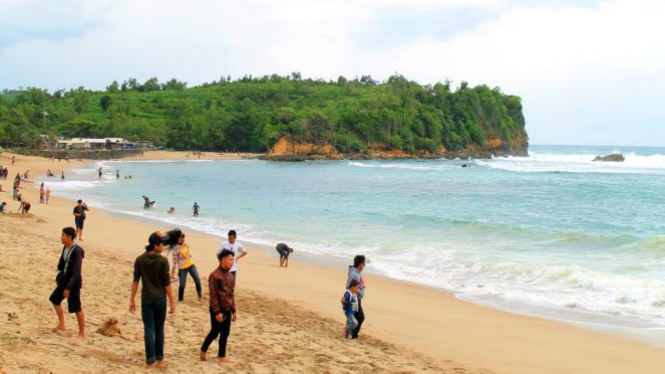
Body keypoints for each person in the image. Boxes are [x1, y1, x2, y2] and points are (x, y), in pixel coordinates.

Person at [130, 231, 175, 369]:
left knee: (149, 329)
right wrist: (172, 301)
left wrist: (131, 299)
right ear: (156, 245)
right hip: (160, 299)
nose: (164, 245)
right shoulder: (162, 261)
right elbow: (167, 283)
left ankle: (150, 360)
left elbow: (136, 281)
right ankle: (159, 358)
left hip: (146, 299)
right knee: (159, 328)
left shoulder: (140, 260)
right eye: (162, 243)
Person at [200, 249, 237, 363]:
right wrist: (216, 312)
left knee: (225, 333)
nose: (232, 262)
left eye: (233, 260)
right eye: (230, 259)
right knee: (215, 332)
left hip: (227, 309)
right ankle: (203, 350)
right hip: (218, 309)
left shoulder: (231, 276)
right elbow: (213, 296)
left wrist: (234, 310)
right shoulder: (214, 276)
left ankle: (222, 356)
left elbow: (231, 294)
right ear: (222, 260)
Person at [49, 227, 85, 339]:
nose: (61, 237)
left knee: (76, 307)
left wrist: (68, 288)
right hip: (65, 280)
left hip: (73, 283)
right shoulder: (65, 247)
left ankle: (82, 333)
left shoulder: (77, 252)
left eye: (63, 235)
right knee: (54, 299)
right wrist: (60, 273)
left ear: (69, 237)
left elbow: (76, 272)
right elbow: (62, 263)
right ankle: (62, 324)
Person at [166, 229, 202, 301]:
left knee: (197, 280)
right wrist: (172, 273)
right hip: (182, 268)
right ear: (177, 240)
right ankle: (180, 299)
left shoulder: (186, 244)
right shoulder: (176, 249)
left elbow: (187, 254)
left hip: (190, 264)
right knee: (182, 285)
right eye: (181, 240)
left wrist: (187, 256)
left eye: (183, 239)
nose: (182, 241)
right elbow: (175, 262)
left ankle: (200, 296)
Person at [345, 255, 366, 339]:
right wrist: (362, 287)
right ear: (360, 264)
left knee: (354, 317)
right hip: (354, 299)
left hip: (356, 298)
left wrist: (361, 287)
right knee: (360, 317)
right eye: (364, 263)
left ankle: (349, 333)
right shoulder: (354, 274)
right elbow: (350, 288)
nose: (364, 265)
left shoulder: (357, 273)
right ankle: (354, 335)